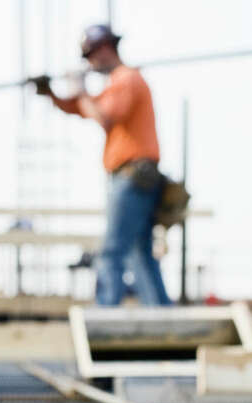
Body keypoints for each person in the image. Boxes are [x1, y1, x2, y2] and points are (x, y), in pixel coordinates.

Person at [35, 24, 171, 306]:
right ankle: (161, 314)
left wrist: (80, 88)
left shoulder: (127, 79)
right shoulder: (119, 84)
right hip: (136, 178)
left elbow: (104, 116)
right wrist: (52, 94)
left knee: (112, 251)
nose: (89, 63)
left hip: (133, 178)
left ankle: (106, 312)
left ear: (105, 49)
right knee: (139, 251)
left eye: (90, 56)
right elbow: (84, 109)